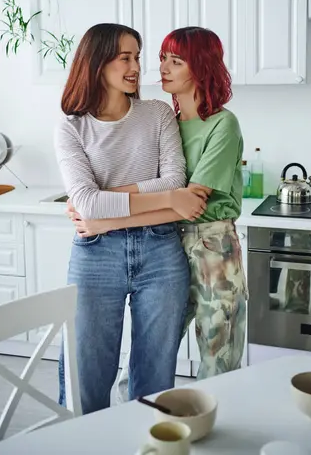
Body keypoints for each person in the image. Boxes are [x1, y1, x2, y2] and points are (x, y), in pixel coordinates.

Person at [68, 26, 249, 400]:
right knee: (153, 353)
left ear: (200, 67)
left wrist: (101, 210)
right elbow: (168, 196)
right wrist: (93, 202)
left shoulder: (220, 123)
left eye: (176, 61)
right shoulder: (169, 118)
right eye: (162, 58)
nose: (161, 68)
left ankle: (216, 427)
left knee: (219, 349)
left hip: (212, 244)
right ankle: (135, 421)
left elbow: (189, 197)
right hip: (169, 238)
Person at [54, 23, 208, 414]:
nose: (136, 66)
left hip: (161, 250)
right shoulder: (71, 125)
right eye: (125, 57)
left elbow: (174, 179)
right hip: (95, 256)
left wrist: (107, 205)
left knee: (155, 376)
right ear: (96, 62)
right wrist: (168, 198)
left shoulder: (157, 114)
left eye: (137, 56)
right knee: (85, 374)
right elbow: (88, 204)